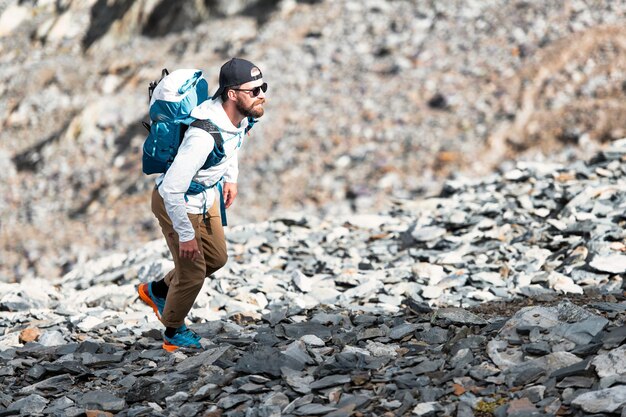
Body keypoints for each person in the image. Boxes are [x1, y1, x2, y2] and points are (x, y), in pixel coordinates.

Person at [138, 58, 267, 351]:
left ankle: (158, 291)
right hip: (178, 204)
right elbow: (171, 189)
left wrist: (230, 179)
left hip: (207, 196)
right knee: (193, 271)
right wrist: (185, 234)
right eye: (254, 90)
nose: (261, 94)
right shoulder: (201, 136)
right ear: (232, 94)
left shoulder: (240, 115)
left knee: (217, 258)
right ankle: (173, 332)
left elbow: (233, 142)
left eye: (263, 87)